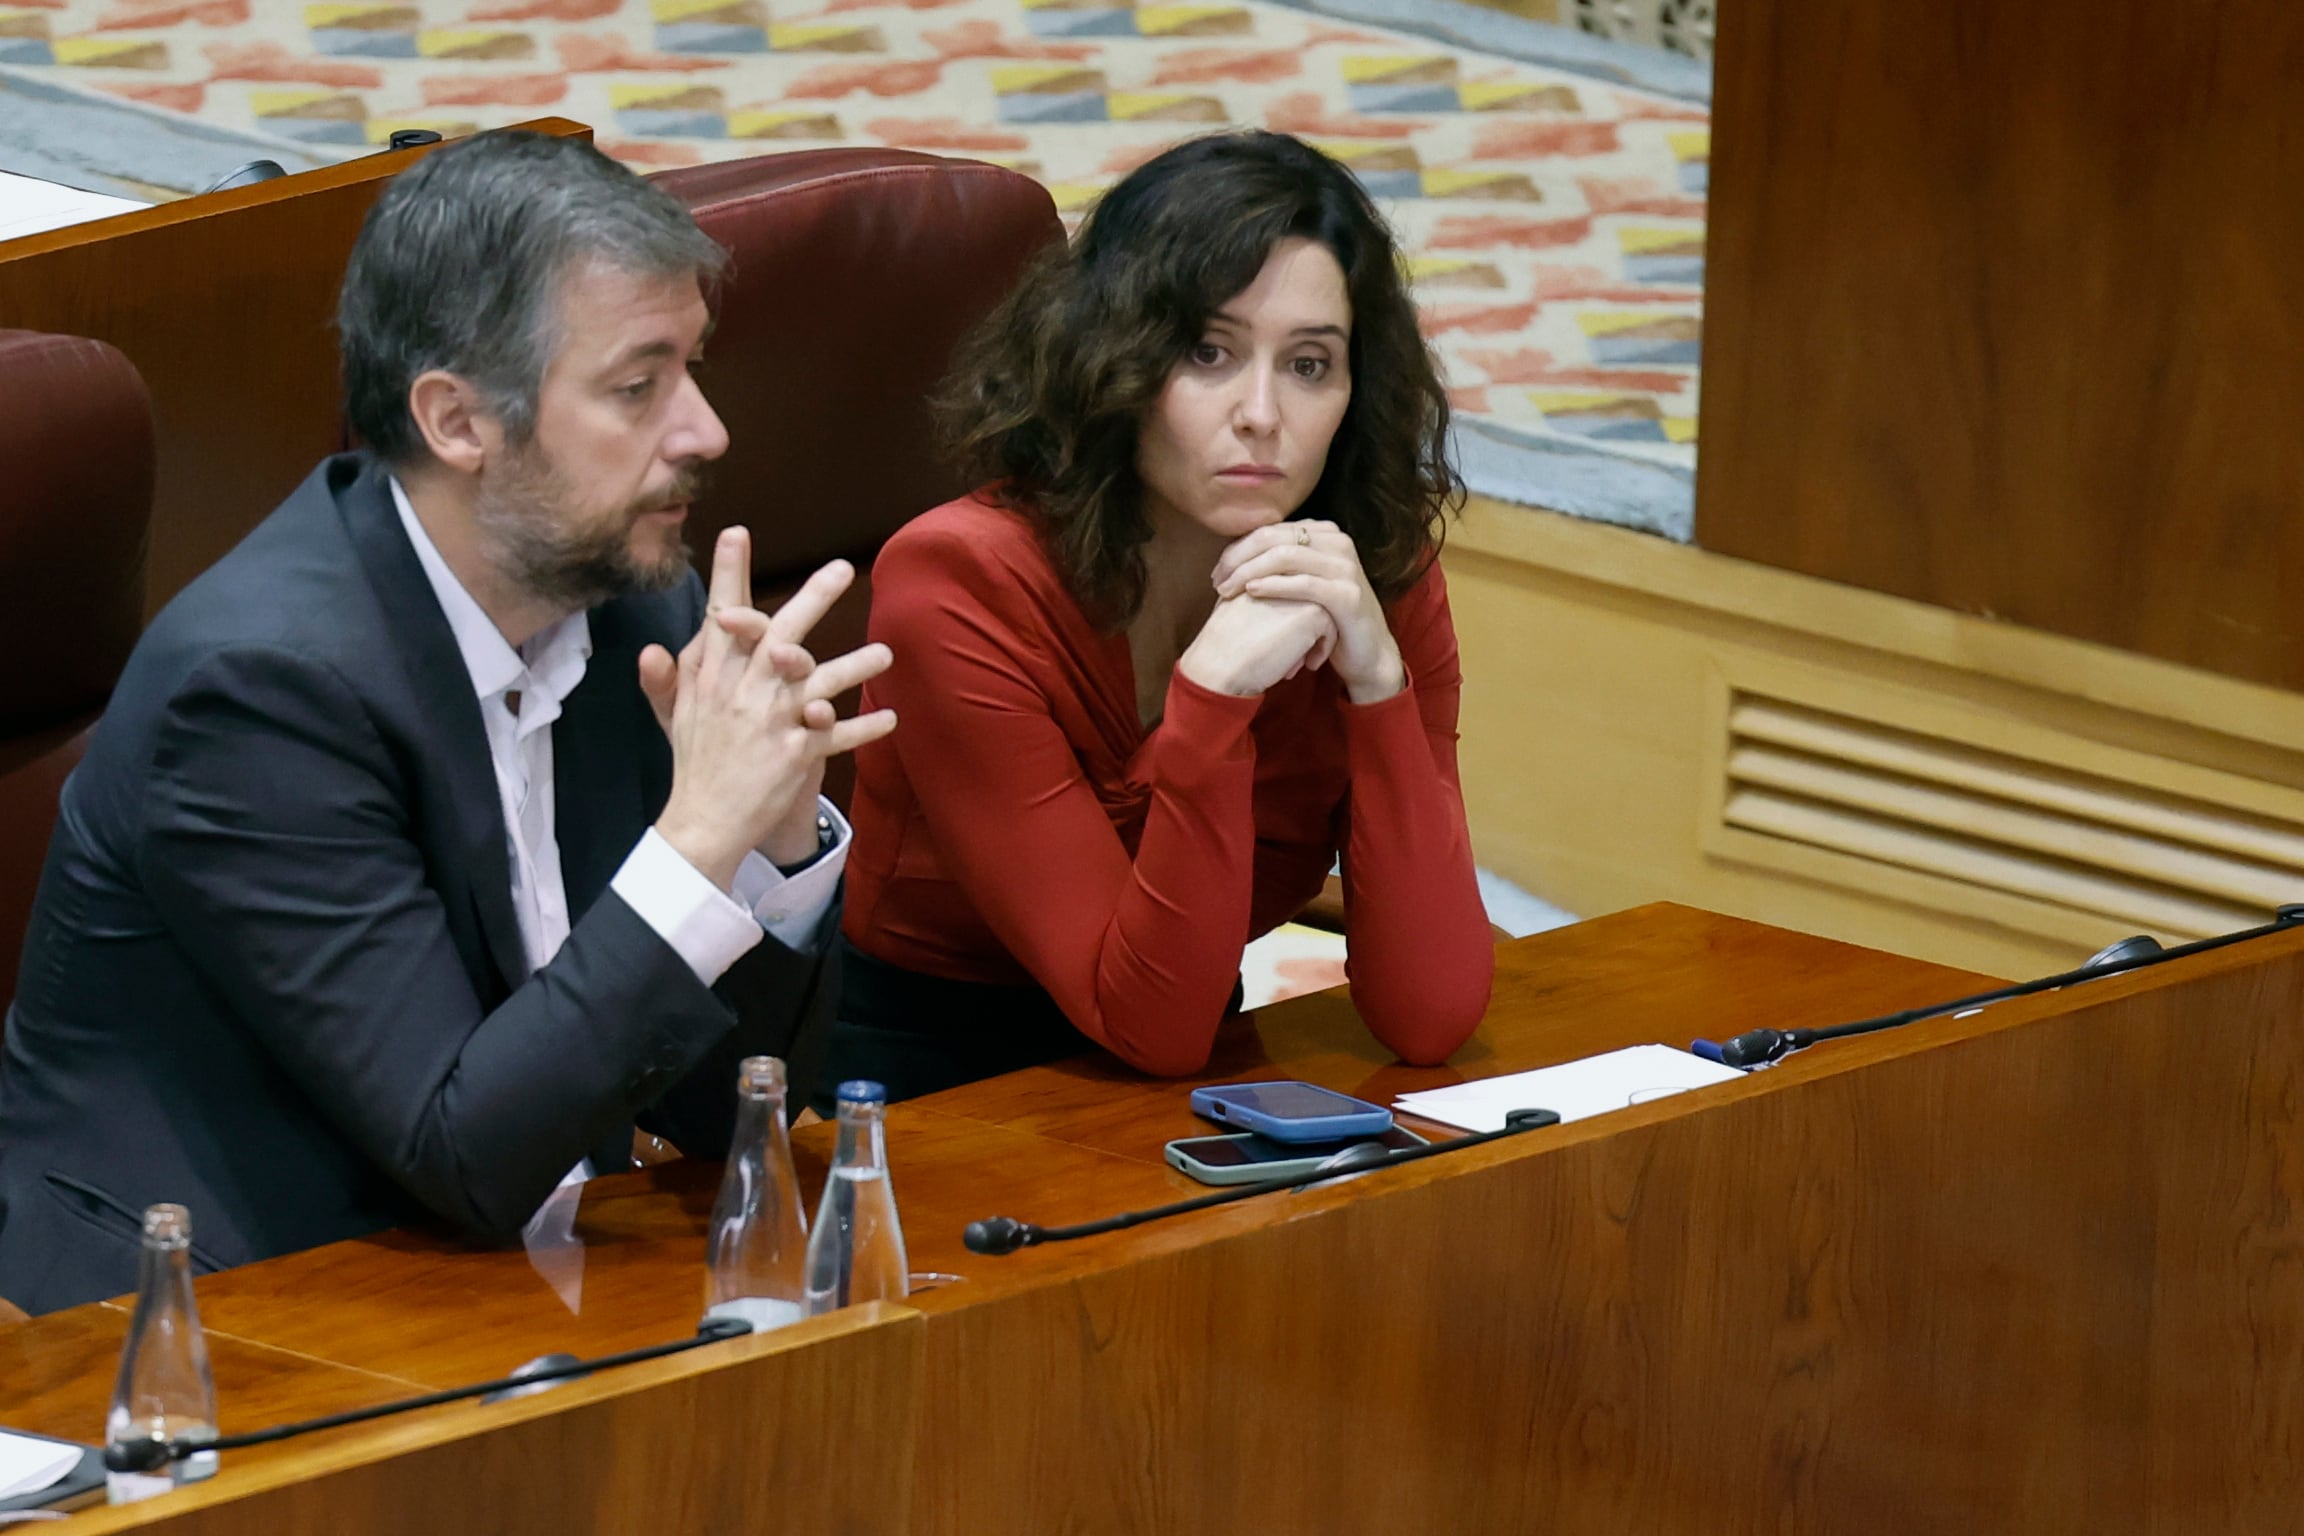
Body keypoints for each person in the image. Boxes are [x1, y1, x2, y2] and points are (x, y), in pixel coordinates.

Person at [0, 130, 895, 1315]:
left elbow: (703, 1105)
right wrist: (696, 838)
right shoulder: (261, 693)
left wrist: (771, 843)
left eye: (693, 367)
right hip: (204, 1328)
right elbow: (463, 1148)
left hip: (491, 1274)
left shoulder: (639, 607)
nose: (704, 430)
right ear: (458, 421)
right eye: (639, 386)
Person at [833, 130, 1494, 1103]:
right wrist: (1215, 697)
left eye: (1310, 365)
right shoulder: (959, 581)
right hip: (928, 1083)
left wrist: (1380, 691)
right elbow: (1147, 1024)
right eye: (1208, 352)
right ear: (1116, 358)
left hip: (1193, 1055)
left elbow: (1431, 1017)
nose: (1262, 413)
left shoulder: (1370, 573)